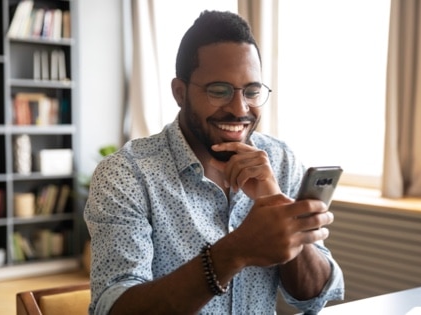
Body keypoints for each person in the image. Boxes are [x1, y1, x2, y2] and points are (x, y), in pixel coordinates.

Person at [84, 10, 344, 315]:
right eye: (219, 91)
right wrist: (234, 252)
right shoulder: (127, 174)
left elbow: (313, 298)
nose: (239, 109)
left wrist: (277, 205)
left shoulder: (280, 160)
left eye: (252, 91)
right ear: (180, 93)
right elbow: (114, 309)